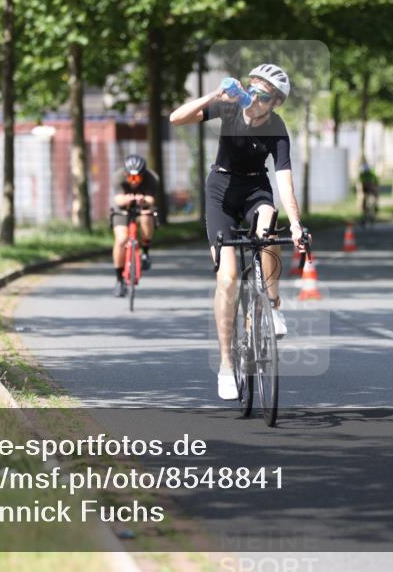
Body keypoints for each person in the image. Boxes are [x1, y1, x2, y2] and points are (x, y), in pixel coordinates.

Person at [169, 63, 305, 400]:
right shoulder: (230, 107)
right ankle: (227, 365)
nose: (255, 99)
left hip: (255, 189)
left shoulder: (277, 129)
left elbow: (284, 182)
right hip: (221, 190)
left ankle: (272, 303)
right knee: (228, 278)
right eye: (253, 90)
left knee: (269, 222)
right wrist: (215, 94)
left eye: (264, 96)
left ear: (276, 103)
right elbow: (176, 118)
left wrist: (297, 224)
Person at [110, 154, 159, 297]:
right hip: (123, 209)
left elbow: (151, 199)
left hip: (142, 207)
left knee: (147, 217)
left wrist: (143, 200)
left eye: (137, 178)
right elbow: (118, 200)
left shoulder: (151, 178)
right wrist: (127, 199)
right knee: (121, 240)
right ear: (125, 174)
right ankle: (119, 280)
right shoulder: (118, 176)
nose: (134, 181)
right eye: (131, 177)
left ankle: (145, 252)